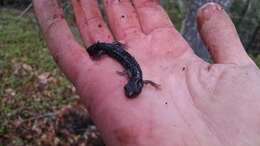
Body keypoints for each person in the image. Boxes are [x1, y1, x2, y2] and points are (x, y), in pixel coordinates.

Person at [33, 0, 260, 146]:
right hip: (114, 50)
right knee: (111, 50)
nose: (129, 90)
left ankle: (102, 49)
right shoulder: (138, 78)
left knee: (113, 51)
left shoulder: (137, 78)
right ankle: (100, 49)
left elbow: (141, 79)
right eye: (131, 89)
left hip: (116, 51)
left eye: (131, 89)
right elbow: (141, 79)